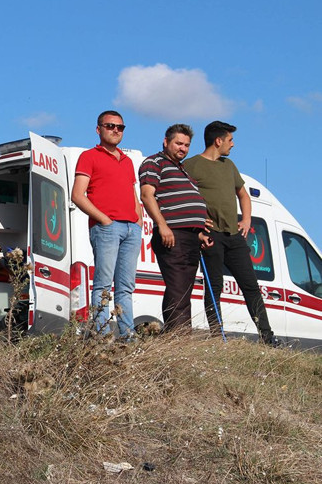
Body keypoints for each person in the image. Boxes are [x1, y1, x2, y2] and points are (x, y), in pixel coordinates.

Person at [183, 121, 280, 346]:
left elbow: (243, 195)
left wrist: (246, 220)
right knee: (214, 288)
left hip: (234, 236)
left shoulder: (229, 165)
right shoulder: (191, 165)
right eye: (230, 140)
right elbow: (181, 196)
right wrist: (196, 222)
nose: (233, 144)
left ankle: (267, 337)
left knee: (250, 286)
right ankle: (218, 337)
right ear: (218, 141)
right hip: (211, 235)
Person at [71, 110, 142, 338]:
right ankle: (100, 337)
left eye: (120, 127)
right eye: (110, 126)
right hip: (107, 228)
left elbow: (133, 194)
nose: (115, 130)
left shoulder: (128, 161)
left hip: (132, 228)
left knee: (126, 288)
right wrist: (104, 219)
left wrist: (138, 221)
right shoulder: (89, 156)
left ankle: (127, 336)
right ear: (98, 129)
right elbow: (78, 195)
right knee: (103, 286)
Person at [139, 124, 214, 332]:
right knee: (179, 289)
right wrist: (163, 225)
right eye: (178, 143)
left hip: (190, 238)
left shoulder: (184, 172)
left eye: (187, 145)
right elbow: (147, 195)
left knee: (181, 290)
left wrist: (199, 232)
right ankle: (180, 337)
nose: (183, 148)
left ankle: (175, 335)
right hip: (172, 235)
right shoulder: (154, 163)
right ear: (166, 142)